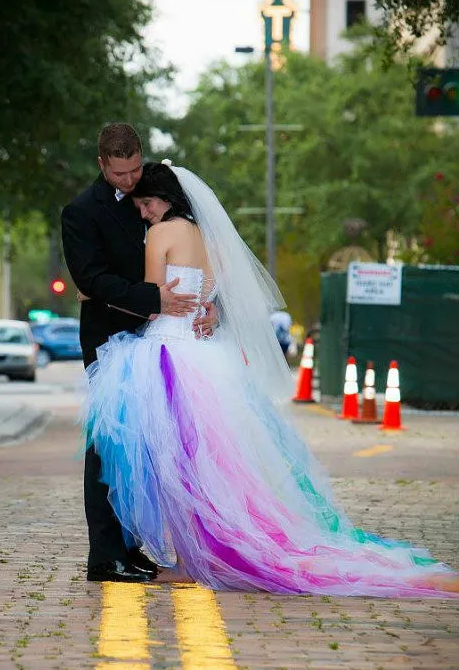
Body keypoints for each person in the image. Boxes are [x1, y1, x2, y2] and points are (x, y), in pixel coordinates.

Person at [84, 161, 458, 596]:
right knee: (205, 463)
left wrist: (97, 292)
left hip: (167, 352)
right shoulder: (206, 236)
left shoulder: (162, 233)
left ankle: (190, 560)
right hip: (204, 356)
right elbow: (212, 292)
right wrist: (208, 308)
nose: (144, 212)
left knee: (177, 463)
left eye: (146, 203)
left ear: (165, 199)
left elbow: (151, 297)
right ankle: (196, 554)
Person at [61, 124, 217, 584]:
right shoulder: (80, 213)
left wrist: (207, 306)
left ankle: (132, 549)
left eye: (134, 171)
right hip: (112, 341)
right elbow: (92, 280)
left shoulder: (157, 195)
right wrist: (153, 301)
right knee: (109, 443)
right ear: (101, 164)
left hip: (164, 341)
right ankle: (106, 555)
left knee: (150, 449)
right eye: (119, 173)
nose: (129, 182)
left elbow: (190, 263)